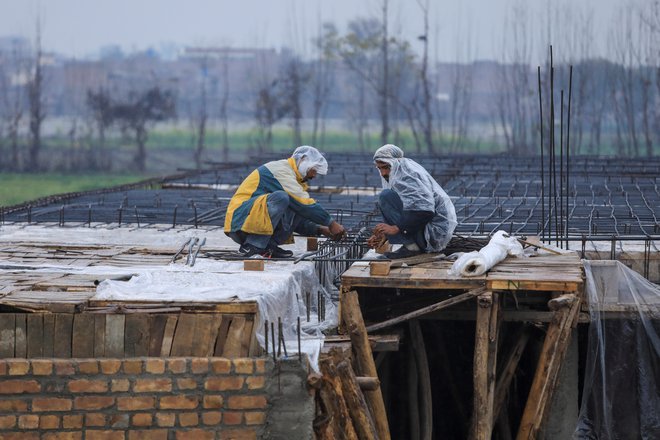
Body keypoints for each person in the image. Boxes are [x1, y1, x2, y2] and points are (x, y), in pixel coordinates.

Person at [224, 146, 346, 258]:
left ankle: (268, 246)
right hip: (239, 223)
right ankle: (252, 246)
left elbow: (296, 216)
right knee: (284, 198)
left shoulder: (294, 180)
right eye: (314, 170)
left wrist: (319, 229)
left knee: (297, 204)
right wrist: (331, 223)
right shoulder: (280, 170)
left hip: (250, 223)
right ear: (303, 160)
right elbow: (304, 203)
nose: (314, 176)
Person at [367, 144, 457, 259]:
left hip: (432, 234)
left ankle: (411, 248)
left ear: (396, 163)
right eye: (380, 168)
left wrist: (395, 228)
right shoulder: (398, 176)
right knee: (387, 197)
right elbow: (404, 207)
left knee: (386, 196)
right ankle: (411, 245)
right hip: (422, 229)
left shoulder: (410, 176)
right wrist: (384, 235)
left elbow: (425, 211)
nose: (383, 173)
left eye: (386, 167)